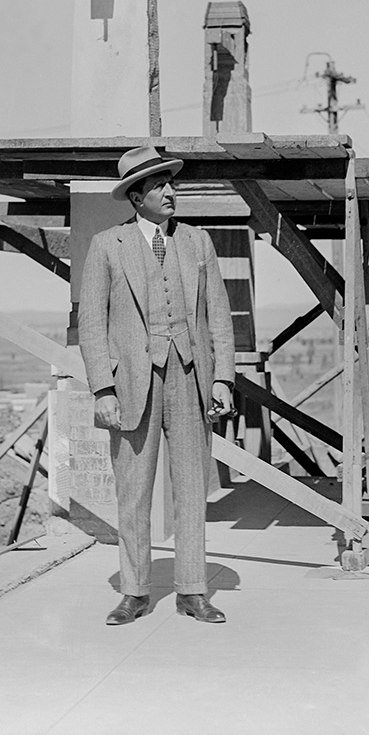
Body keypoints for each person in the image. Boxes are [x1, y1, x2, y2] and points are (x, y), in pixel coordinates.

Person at [78, 145, 235, 625]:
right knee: (134, 492)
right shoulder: (107, 246)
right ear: (136, 195)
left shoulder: (197, 242)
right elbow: (91, 323)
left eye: (171, 183)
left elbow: (219, 318)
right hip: (131, 388)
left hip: (190, 379)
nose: (171, 191)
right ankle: (135, 591)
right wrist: (103, 389)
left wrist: (223, 378)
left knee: (191, 490)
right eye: (160, 185)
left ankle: (192, 590)